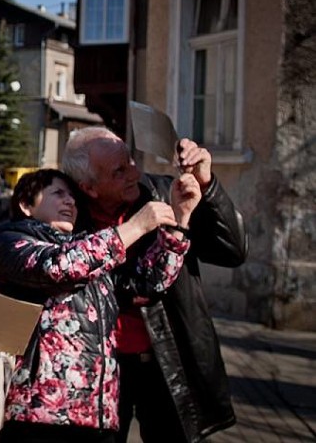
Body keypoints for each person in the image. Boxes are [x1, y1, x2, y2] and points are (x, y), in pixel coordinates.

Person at [61, 126, 248, 443]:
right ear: (89, 188)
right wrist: (137, 228)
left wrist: (208, 184)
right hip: (99, 367)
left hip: (167, 362)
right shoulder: (69, 218)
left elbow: (232, 251)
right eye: (119, 171)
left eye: (131, 160)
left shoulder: (164, 193)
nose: (135, 172)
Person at [0, 168, 199, 443]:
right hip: (38, 415)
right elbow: (59, 266)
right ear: (26, 205)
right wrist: (135, 226)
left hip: (97, 417)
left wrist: (180, 219)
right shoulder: (7, 241)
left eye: (72, 196)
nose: (70, 202)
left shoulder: (91, 251)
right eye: (58, 193)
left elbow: (148, 284)